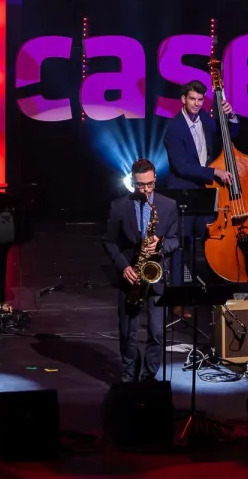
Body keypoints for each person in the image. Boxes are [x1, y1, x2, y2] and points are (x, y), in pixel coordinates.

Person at [162, 79, 238, 314]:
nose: (196, 103)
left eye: (200, 99)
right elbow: (181, 166)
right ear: (183, 99)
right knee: (182, 247)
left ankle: (213, 293)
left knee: (211, 242)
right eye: (192, 99)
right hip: (185, 193)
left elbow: (229, 135)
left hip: (207, 193)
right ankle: (178, 301)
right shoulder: (174, 128)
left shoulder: (204, 117)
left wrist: (231, 116)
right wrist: (213, 172)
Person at [102, 159, 181, 382]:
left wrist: (161, 244)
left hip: (156, 275)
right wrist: (124, 266)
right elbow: (108, 241)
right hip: (131, 275)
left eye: (149, 184)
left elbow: (176, 240)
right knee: (128, 332)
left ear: (155, 179)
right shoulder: (119, 206)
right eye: (140, 185)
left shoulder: (168, 205)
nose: (146, 190)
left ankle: (149, 375)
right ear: (132, 182)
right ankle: (130, 370)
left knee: (157, 333)